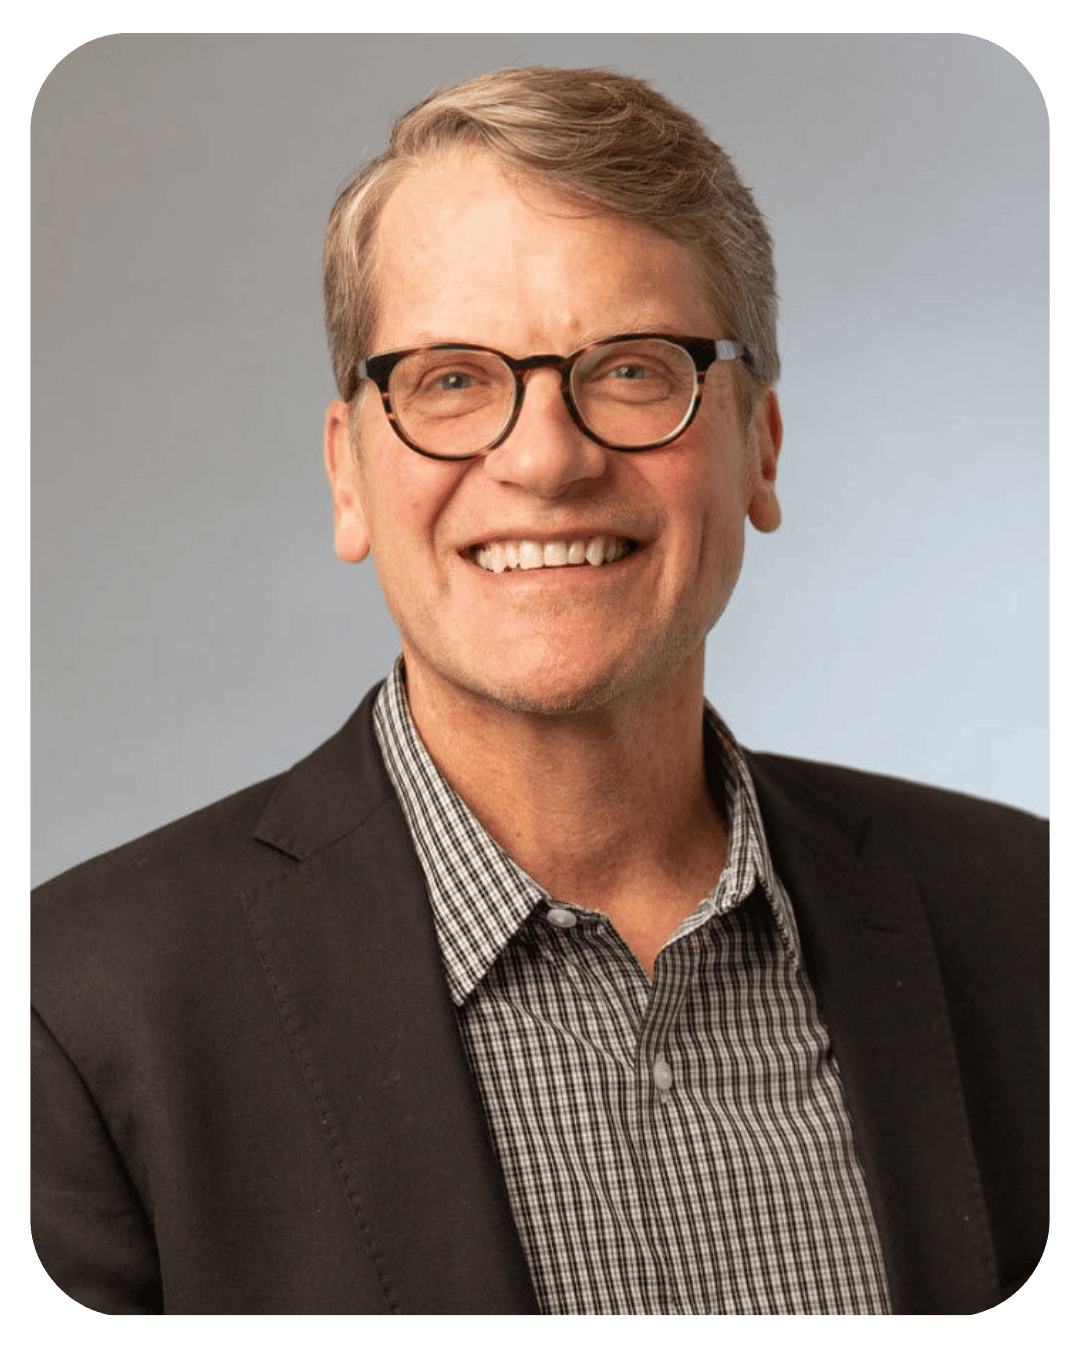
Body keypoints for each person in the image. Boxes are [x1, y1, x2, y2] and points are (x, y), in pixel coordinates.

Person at [30, 66, 1047, 1317]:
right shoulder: (70, 1019)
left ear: (761, 448)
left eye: (633, 369)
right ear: (349, 475)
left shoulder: (1031, 925)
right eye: (452, 379)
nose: (548, 459)